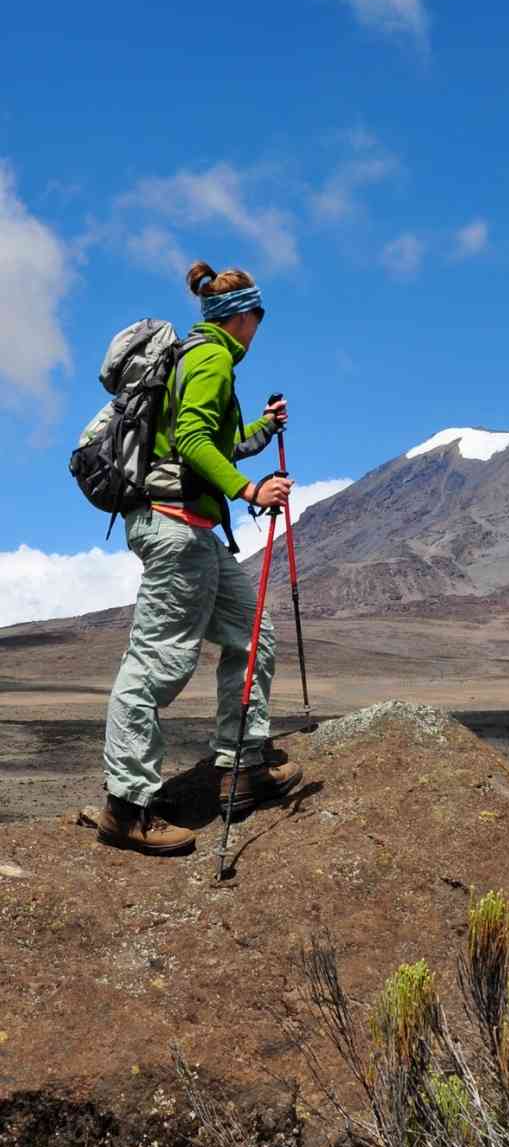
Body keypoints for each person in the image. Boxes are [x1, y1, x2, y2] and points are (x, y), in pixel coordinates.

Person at [97, 260, 302, 855]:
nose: (259, 327)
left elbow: (213, 443)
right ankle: (126, 807)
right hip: (175, 528)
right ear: (243, 317)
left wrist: (261, 432)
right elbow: (190, 441)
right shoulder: (210, 358)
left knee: (251, 633)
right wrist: (249, 489)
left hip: (196, 531)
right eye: (258, 317)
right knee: (159, 663)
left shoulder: (204, 359)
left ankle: (243, 765)